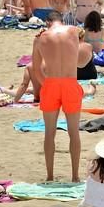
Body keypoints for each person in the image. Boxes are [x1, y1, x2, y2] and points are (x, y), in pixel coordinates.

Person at [32, 10, 83, 182]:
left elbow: (36, 68)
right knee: (74, 132)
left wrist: (45, 83)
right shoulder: (74, 30)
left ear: (47, 23)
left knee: (49, 133)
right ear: (61, 20)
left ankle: (50, 176)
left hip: (52, 83)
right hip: (70, 82)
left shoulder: (40, 38)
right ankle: (75, 176)